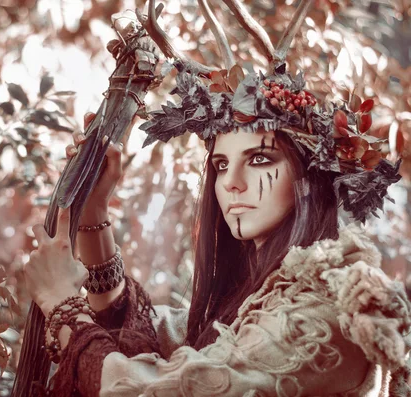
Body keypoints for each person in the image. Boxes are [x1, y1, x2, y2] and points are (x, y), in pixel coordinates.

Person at [23, 66, 411, 396]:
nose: (231, 184)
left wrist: (62, 305)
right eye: (222, 165)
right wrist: (94, 211)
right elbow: (155, 336)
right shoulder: (261, 297)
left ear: (310, 179)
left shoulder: (323, 312)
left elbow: (160, 388)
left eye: (260, 159)